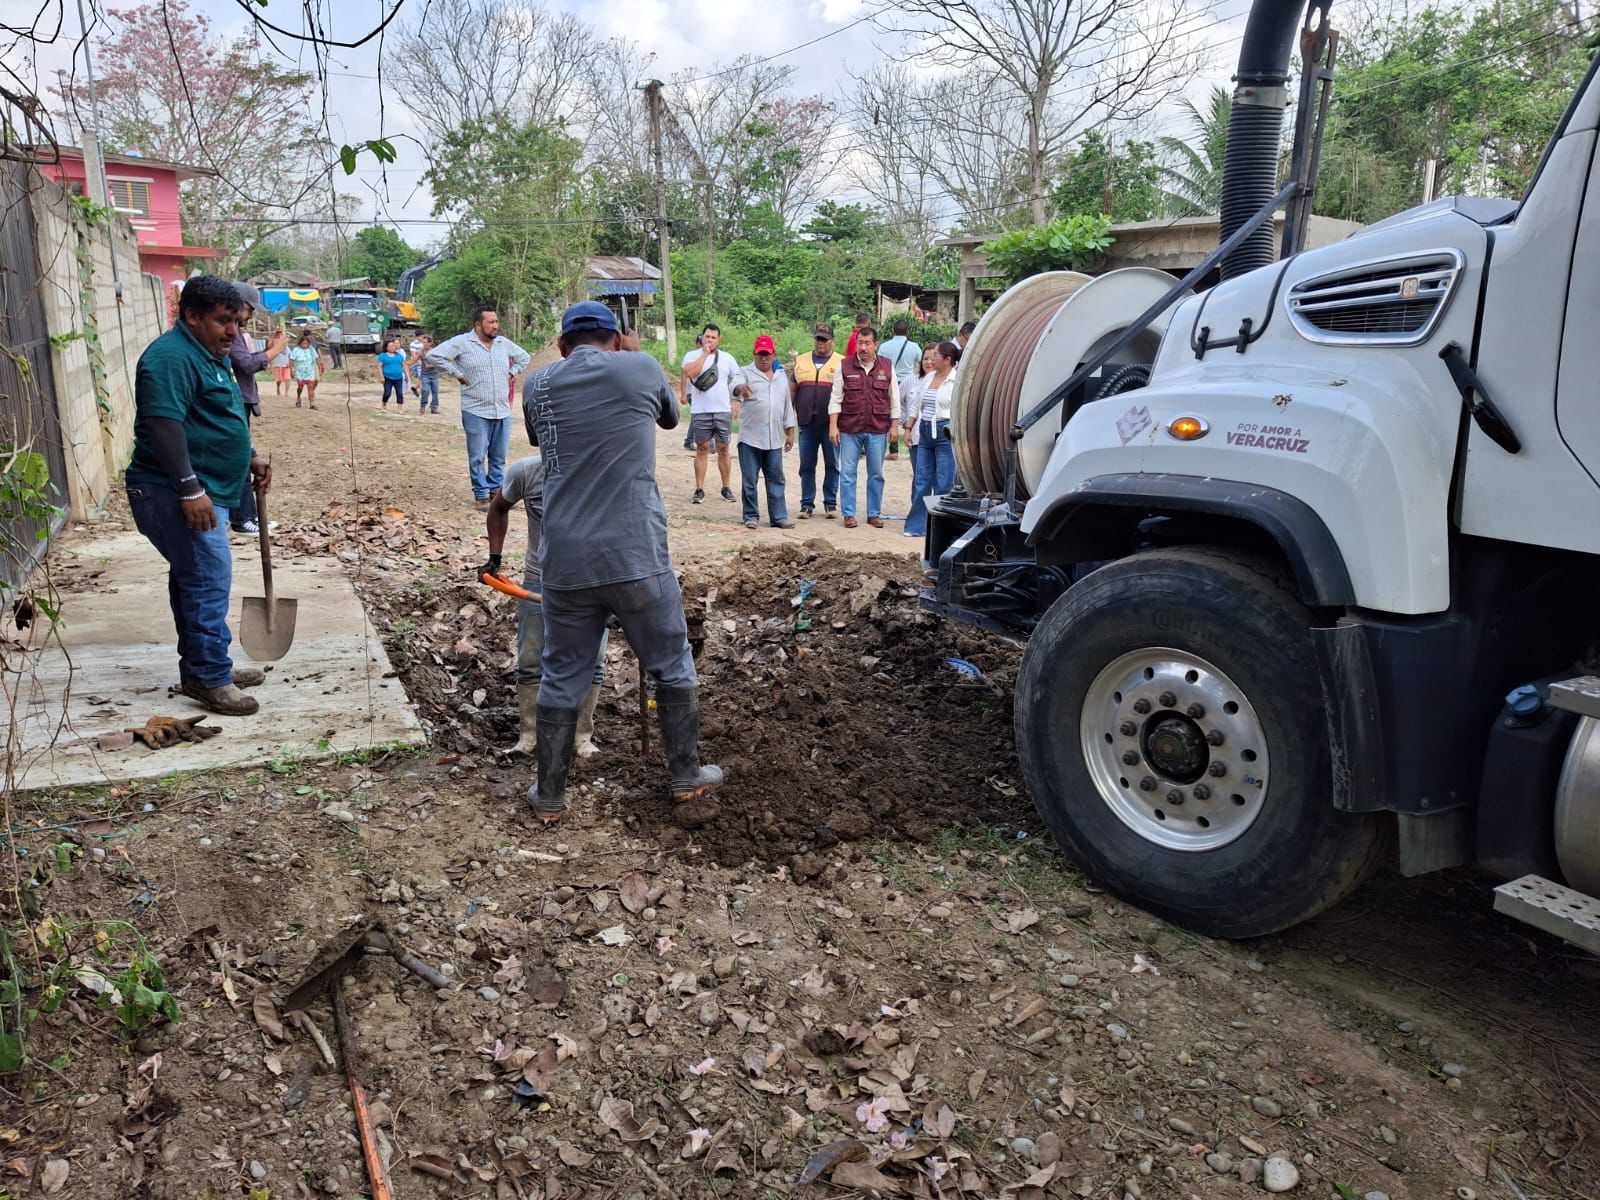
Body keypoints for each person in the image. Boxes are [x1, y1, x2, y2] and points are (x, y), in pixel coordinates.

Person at [517, 300, 720, 825]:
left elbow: (542, 439)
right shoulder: (641, 367)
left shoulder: (538, 384)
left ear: (562, 345)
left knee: (563, 673)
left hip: (564, 560)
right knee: (671, 664)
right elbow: (670, 418)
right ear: (616, 339)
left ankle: (550, 796)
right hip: (636, 554)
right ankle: (686, 775)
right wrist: (633, 353)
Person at [125, 275, 271, 717]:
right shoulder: (171, 357)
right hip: (174, 491)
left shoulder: (208, 353)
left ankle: (205, 666)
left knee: (194, 577)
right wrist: (190, 490)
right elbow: (163, 424)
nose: (233, 332)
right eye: (224, 321)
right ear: (191, 315)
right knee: (207, 579)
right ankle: (210, 676)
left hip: (208, 488)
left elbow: (215, 415)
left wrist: (249, 456)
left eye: (238, 322)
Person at [484, 454, 609, 758]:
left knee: (593, 660)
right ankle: (530, 737)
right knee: (531, 658)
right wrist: (494, 557)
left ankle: (581, 737)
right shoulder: (528, 472)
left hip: (591, 581)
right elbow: (498, 507)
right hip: (539, 578)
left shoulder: (599, 469)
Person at [426, 307, 531, 511]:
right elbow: (434, 356)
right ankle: (481, 495)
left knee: (499, 456)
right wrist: (456, 373)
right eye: (490, 322)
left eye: (496, 322)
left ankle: (496, 493)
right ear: (478, 325)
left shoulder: (503, 343)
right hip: (475, 410)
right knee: (477, 456)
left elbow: (524, 357)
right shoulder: (462, 342)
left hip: (502, 410)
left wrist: (513, 371)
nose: (495, 326)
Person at [225, 283, 285, 535]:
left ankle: (248, 516)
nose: (250, 316)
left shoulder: (235, 331)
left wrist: (266, 350)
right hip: (236, 401)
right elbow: (247, 365)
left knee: (244, 457)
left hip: (241, 400)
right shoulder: (230, 332)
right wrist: (275, 352)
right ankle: (243, 518)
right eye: (249, 309)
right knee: (241, 459)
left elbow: (246, 361)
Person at [828, 325, 901, 529]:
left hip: (877, 428)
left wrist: (894, 426)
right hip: (850, 428)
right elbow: (835, 398)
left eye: (868, 343)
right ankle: (849, 514)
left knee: (876, 473)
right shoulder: (845, 366)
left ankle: (873, 514)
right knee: (847, 473)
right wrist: (833, 426)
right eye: (860, 342)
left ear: (876, 345)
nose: (863, 347)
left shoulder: (887, 366)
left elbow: (894, 399)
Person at [731, 335, 796, 530]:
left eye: (767, 354)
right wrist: (740, 389)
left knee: (776, 478)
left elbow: (786, 405)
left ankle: (779, 516)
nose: (764, 358)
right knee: (750, 480)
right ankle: (751, 516)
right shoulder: (745, 372)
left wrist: (790, 432)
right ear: (754, 354)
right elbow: (733, 386)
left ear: (774, 355)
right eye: (760, 354)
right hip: (750, 438)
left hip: (774, 437)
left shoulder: (781, 376)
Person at [902, 341, 960, 540]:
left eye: (936, 355)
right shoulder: (928, 378)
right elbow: (916, 406)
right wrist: (909, 428)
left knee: (944, 482)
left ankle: (941, 529)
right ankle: (916, 526)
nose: (931, 359)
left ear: (947, 359)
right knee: (922, 480)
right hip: (925, 431)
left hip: (945, 432)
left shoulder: (956, 380)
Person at [679, 323, 740, 504]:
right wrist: (705, 355)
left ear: (719, 339)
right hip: (701, 411)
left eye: (713, 337)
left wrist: (736, 401)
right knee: (702, 448)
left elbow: (737, 379)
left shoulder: (728, 358)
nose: (710, 340)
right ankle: (699, 489)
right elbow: (690, 373)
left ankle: (726, 487)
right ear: (702, 337)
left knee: (724, 448)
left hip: (722, 410)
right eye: (707, 337)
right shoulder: (692, 356)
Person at [790, 322, 842, 519]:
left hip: (831, 425)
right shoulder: (801, 361)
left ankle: (830, 504)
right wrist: (789, 419)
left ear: (832, 341)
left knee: (832, 464)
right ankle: (806, 505)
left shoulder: (842, 362)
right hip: (807, 423)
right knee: (806, 465)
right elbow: (792, 391)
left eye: (825, 339)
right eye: (818, 338)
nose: (821, 342)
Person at [878, 318, 922, 462]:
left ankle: (893, 450)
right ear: (908, 332)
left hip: (890, 382)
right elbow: (921, 361)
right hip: (909, 383)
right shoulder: (914, 346)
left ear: (892, 331)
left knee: (892, 414)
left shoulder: (884, 346)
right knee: (912, 413)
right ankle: (912, 446)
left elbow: (879, 365)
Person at [408, 333, 440, 413]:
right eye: (423, 343)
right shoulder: (421, 352)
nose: (424, 344)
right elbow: (414, 360)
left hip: (434, 375)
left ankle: (434, 408)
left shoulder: (435, 352)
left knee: (435, 391)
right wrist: (407, 365)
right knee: (425, 390)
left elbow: (439, 362)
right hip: (425, 375)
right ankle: (423, 406)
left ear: (430, 343)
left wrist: (432, 365)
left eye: (425, 343)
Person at [288, 332, 321, 408]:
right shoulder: (296, 350)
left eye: (306, 344)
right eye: (303, 344)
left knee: (310, 387)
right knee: (300, 387)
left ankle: (312, 404)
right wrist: (291, 370)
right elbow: (291, 360)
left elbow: (317, 359)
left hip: (310, 372)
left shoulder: (311, 349)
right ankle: (298, 397)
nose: (305, 345)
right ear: (300, 343)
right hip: (300, 372)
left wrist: (319, 368)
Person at [377, 337, 407, 408]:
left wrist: (406, 375)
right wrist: (381, 377)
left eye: (393, 346)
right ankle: (384, 403)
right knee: (387, 393)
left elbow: (404, 365)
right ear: (386, 347)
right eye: (390, 346)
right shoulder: (383, 355)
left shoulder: (399, 355)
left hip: (399, 378)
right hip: (387, 378)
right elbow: (379, 366)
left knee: (399, 393)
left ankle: (400, 409)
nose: (393, 347)